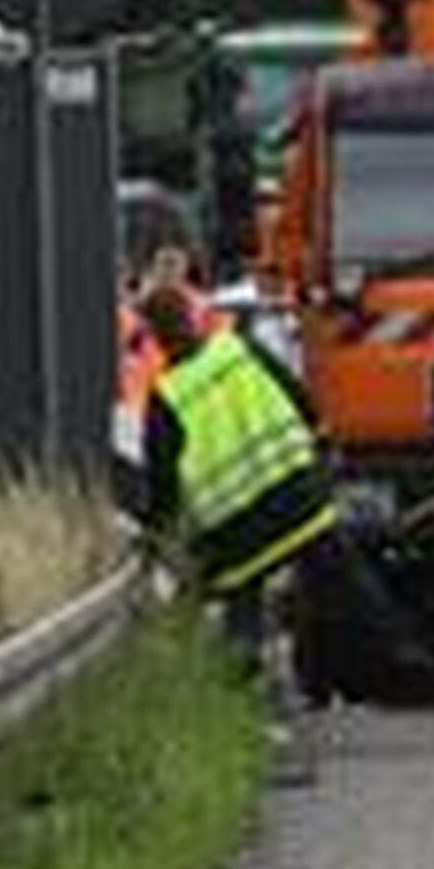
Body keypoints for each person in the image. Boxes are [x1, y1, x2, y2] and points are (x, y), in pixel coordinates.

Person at [135, 284, 335, 695]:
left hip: (235, 532)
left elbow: (163, 489)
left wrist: (155, 540)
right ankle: (407, 666)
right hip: (298, 500)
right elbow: (299, 397)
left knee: (240, 600)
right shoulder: (237, 350)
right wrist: (321, 439)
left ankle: (240, 681)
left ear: (155, 338)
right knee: (346, 583)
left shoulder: (166, 397)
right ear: (192, 318)